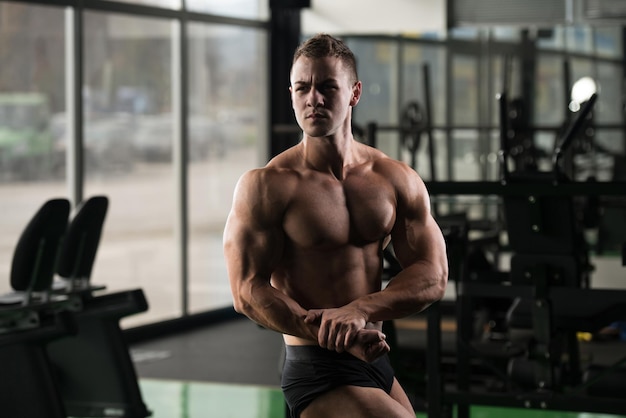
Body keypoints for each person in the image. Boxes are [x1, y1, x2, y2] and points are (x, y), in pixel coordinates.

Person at [223, 33, 448, 418]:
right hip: (317, 364)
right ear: (291, 93)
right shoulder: (266, 185)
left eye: (328, 87)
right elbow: (246, 291)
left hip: (374, 358)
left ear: (354, 93)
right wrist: (328, 331)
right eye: (302, 88)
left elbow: (433, 275)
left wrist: (361, 309)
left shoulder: (395, 179)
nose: (314, 99)